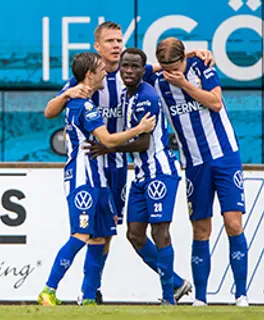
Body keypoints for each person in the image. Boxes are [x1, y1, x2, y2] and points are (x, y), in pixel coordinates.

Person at [45, 21, 206, 303]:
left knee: (108, 233)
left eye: (119, 40)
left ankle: (97, 291)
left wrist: (194, 55)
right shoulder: (85, 79)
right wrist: (67, 95)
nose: (117, 45)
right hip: (94, 160)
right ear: (97, 46)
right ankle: (90, 292)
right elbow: (49, 111)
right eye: (110, 41)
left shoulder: (130, 73)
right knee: (95, 231)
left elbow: (163, 67)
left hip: (118, 162)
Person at [38, 52, 156, 306]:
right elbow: (109, 140)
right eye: (101, 69)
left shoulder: (82, 99)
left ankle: (89, 296)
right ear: (90, 75)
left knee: (101, 236)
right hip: (83, 178)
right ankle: (48, 289)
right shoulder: (84, 105)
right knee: (81, 234)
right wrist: (140, 129)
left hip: (99, 178)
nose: (106, 72)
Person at [150, 37, 248, 307]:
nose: (172, 73)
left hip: (225, 155)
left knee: (233, 223)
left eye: (175, 67)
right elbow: (134, 70)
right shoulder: (159, 83)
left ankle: (241, 294)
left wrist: (185, 83)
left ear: (184, 59)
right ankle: (201, 299)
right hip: (194, 162)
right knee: (201, 229)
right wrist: (164, 72)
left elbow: (216, 102)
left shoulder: (200, 67)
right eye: (166, 68)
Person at [86, 48, 182, 305]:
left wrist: (109, 146)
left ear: (142, 70)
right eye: (125, 66)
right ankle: (178, 283)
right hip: (140, 175)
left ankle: (168, 296)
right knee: (135, 235)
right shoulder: (129, 94)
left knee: (160, 231)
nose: (128, 71)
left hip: (160, 172)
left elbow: (143, 143)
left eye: (134, 67)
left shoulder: (146, 96)